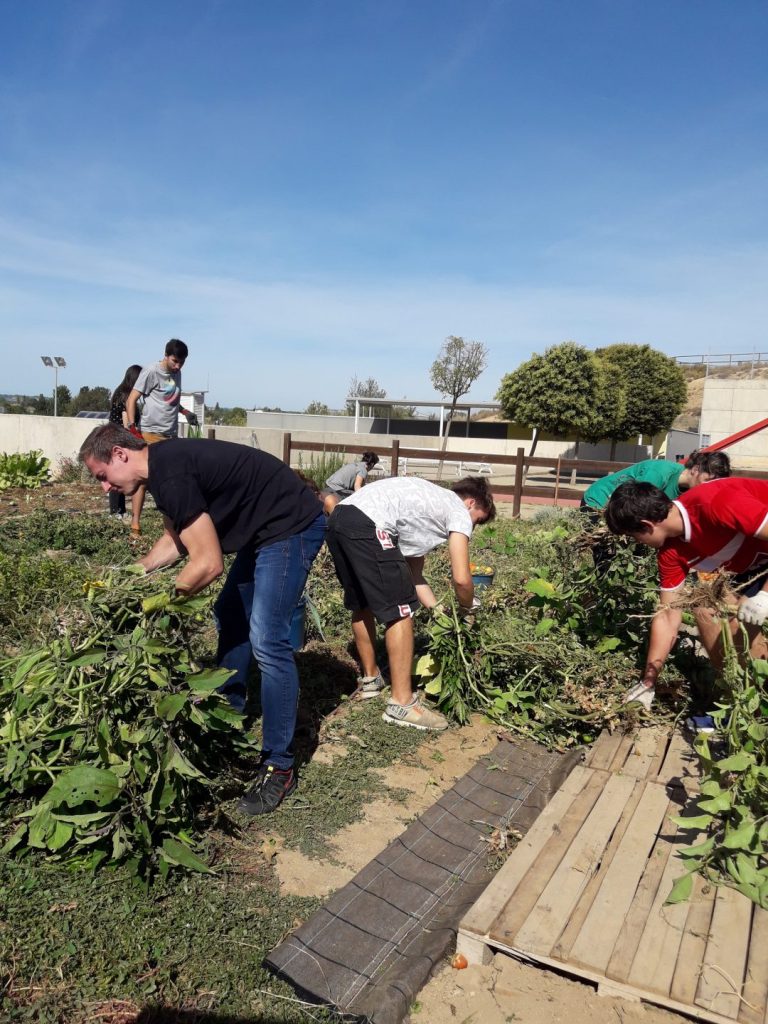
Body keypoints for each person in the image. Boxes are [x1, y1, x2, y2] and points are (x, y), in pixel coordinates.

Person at [79, 424, 326, 815]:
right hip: (262, 527)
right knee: (230, 611)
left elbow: (207, 564)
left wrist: (157, 606)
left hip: (290, 525)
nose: (104, 488)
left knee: (267, 638)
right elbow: (176, 539)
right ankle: (228, 718)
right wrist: (132, 575)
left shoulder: (170, 473)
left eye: (102, 476)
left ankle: (279, 767)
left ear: (120, 455)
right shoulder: (164, 469)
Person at [326, 475, 496, 728]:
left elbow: (414, 575)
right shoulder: (457, 509)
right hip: (368, 524)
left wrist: (438, 610)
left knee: (362, 603)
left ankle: (372, 679)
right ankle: (402, 704)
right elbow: (461, 579)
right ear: (471, 503)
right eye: (478, 520)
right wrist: (467, 608)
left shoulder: (425, 503)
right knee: (401, 611)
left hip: (339, 519)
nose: (473, 527)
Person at [604, 477, 768, 709]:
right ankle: (746, 703)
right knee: (705, 609)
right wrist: (649, 681)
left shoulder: (717, 503)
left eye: (634, 537)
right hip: (755, 568)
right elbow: (668, 615)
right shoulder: (670, 552)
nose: (637, 543)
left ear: (647, 525)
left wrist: (765, 595)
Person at [124, 339, 198, 535]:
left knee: (170, 481)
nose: (178, 366)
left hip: (170, 435)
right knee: (143, 479)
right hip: (150, 433)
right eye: (174, 361)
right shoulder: (150, 371)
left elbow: (170, 400)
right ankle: (135, 525)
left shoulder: (177, 373)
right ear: (166, 356)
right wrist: (132, 428)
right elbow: (131, 399)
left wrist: (185, 413)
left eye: (182, 362)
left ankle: (171, 528)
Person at [582, 450, 731, 517]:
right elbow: (630, 501)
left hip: (626, 512)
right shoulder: (660, 472)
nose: (708, 488)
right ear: (696, 469)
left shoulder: (689, 492)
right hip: (599, 502)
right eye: (707, 481)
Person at [107, 364, 142, 518]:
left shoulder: (119, 392)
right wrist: (134, 438)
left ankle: (119, 510)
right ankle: (116, 511)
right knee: (117, 475)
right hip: (119, 438)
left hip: (113, 436)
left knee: (117, 474)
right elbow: (126, 420)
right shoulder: (126, 395)